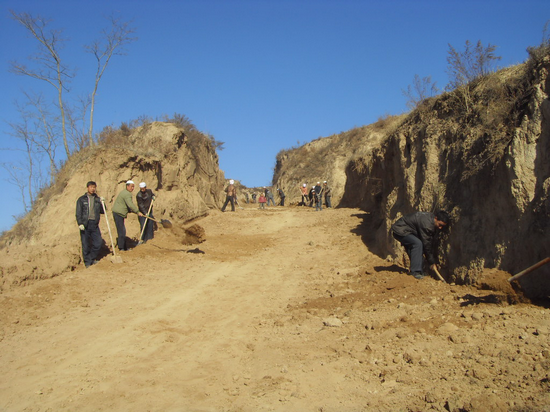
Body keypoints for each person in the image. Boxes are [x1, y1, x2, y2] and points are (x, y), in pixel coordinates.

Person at [391, 210, 450, 279]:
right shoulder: (427, 225)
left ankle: (418, 271)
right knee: (417, 244)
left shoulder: (431, 219)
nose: (440, 228)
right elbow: (426, 244)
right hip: (400, 230)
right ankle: (415, 272)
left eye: (442, 226)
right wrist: (431, 262)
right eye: (440, 225)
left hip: (408, 231)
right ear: (436, 218)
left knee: (415, 246)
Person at [75, 181, 104, 268]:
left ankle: (91, 258)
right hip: (85, 224)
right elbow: (78, 212)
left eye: (94, 187)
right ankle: (87, 262)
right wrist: (80, 223)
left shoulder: (97, 199)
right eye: (91, 187)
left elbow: (103, 211)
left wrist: (102, 202)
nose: (93, 189)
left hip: (94, 224)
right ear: (87, 188)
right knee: (85, 244)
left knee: (98, 243)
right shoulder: (81, 199)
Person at [112, 180, 144, 251]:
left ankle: (124, 247)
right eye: (131, 186)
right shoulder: (127, 194)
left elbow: (126, 205)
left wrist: (131, 210)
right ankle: (121, 248)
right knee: (122, 231)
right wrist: (137, 211)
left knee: (122, 231)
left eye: (133, 187)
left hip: (119, 213)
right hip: (118, 213)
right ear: (127, 186)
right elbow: (130, 204)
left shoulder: (124, 192)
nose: (132, 188)